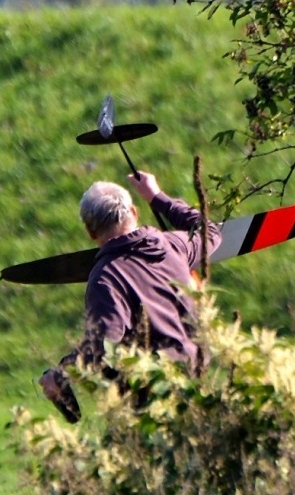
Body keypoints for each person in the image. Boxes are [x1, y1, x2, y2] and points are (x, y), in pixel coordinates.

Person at [38, 170, 220, 421]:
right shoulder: (172, 245)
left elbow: (104, 345)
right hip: (200, 384)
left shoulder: (105, 278)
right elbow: (210, 232)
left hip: (155, 400)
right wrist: (157, 197)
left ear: (91, 232)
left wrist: (59, 374)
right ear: (134, 212)